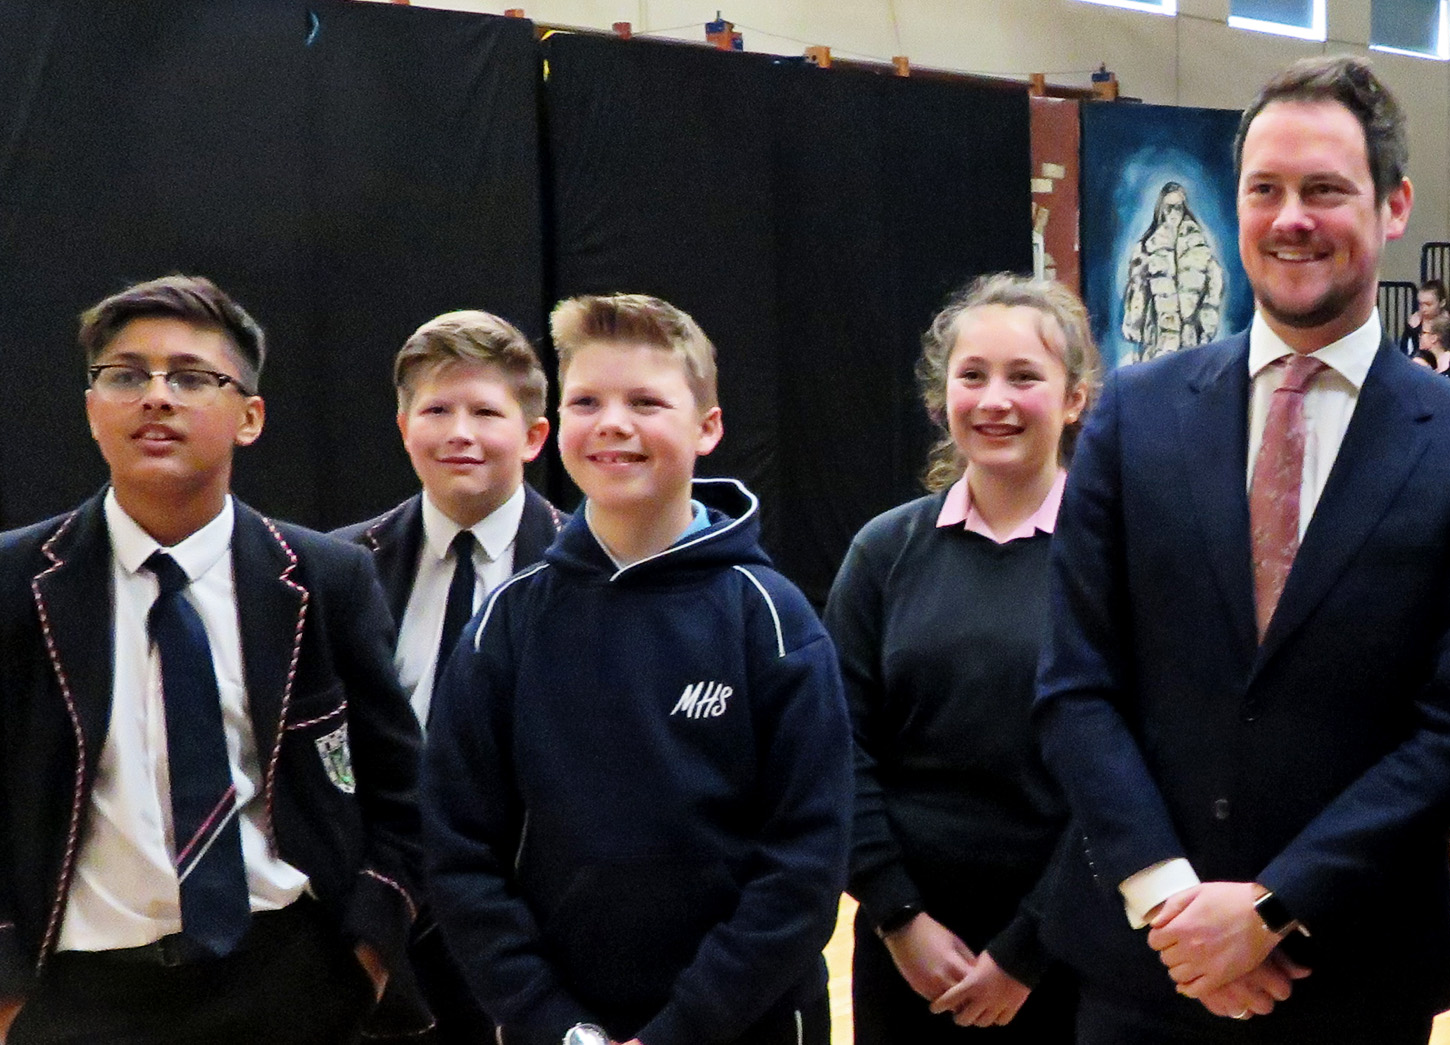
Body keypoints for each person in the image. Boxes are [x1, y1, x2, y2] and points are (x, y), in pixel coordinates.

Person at [1034, 55, 1450, 1044]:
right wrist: (1175, 905)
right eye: (1265, 189)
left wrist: (1270, 909)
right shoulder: (1135, 414)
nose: (1291, 217)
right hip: (1144, 974)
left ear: (1393, 206)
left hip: (1352, 975)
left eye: (1325, 190)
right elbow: (1076, 684)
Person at [0, 275, 426, 1042]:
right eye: (125, 375)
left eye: (193, 376)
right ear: (92, 408)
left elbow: (403, 786)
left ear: (250, 416)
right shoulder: (14, 580)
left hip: (288, 976)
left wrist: (367, 956)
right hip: (77, 993)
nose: (156, 396)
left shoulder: (326, 576)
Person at [423, 294, 850, 1045]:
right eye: (588, 399)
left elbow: (804, 868)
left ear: (707, 426)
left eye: (646, 400)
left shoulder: (773, 620)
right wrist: (556, 1024)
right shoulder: (508, 623)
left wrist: (682, 1029)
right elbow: (460, 852)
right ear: (555, 430)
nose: (613, 422)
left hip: (746, 1023)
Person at [829, 275, 1100, 1043]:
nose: (994, 399)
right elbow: (838, 746)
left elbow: (1130, 768)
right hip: (907, 958)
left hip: (1068, 953)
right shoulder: (883, 552)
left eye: (1025, 377)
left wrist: (1029, 944)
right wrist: (898, 917)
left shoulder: (1114, 558)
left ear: (1074, 398)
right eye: (972, 375)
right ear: (940, 394)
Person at [330, 310, 564, 1045]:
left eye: (485, 411)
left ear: (533, 435)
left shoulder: (584, 568)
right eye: (436, 409)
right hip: (383, 920)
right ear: (404, 428)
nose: (459, 431)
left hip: (536, 921)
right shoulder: (340, 568)